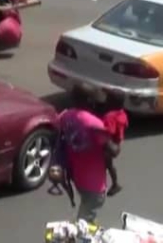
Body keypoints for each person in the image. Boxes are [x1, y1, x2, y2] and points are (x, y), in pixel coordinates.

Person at [56, 83, 116, 223]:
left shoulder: (66, 116)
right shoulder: (94, 124)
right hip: (95, 183)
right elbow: (113, 151)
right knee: (86, 218)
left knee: (86, 206)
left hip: (77, 176)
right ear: (90, 100)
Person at [97, 89, 128, 197]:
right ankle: (114, 184)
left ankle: (101, 187)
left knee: (103, 165)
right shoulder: (122, 113)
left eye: (108, 98)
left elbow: (108, 132)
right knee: (108, 165)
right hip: (117, 144)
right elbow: (125, 125)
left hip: (109, 145)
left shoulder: (109, 116)